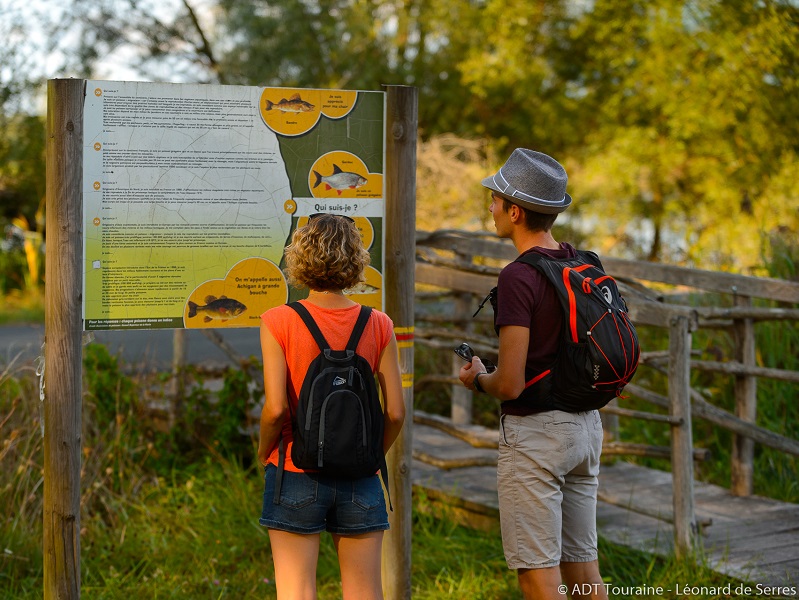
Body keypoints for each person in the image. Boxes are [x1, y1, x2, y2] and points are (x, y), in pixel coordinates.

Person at [459, 149, 608, 600]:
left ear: (515, 210)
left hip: (539, 437)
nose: (491, 207)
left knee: (539, 578)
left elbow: (510, 384)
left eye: (495, 199)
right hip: (586, 428)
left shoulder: (518, 277)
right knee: (585, 575)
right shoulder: (585, 262)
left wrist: (478, 379)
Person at [258, 213, 405, 600]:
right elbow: (395, 413)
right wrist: (371, 455)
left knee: (297, 592)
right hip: (361, 475)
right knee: (364, 592)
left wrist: (264, 453)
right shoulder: (380, 324)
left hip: (294, 469)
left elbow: (276, 409)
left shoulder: (278, 320)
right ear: (355, 261)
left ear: (299, 259)